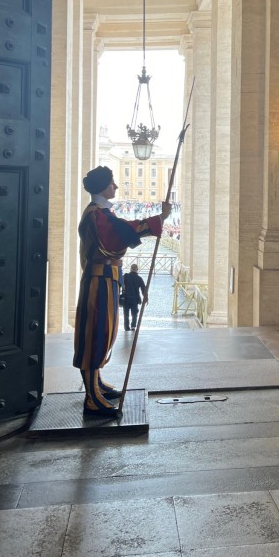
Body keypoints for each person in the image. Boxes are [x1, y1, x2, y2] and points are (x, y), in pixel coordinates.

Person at [73, 165, 171, 418]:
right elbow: (120, 234)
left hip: (107, 278)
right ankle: (92, 398)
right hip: (100, 280)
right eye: (112, 182)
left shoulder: (101, 213)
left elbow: (119, 229)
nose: (116, 186)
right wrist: (158, 220)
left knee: (105, 332)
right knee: (96, 332)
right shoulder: (97, 215)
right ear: (103, 186)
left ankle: (97, 383)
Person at [122, 263, 147, 331]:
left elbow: (120, 283)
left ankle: (126, 327)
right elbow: (143, 289)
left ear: (130, 269)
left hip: (126, 299)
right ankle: (133, 326)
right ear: (137, 269)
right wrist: (146, 298)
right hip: (135, 299)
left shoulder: (126, 276)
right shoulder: (139, 278)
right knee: (134, 313)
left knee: (126, 314)